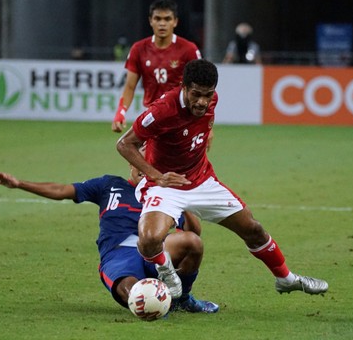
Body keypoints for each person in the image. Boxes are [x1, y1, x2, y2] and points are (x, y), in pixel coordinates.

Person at [116, 59, 328, 299]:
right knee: (149, 239)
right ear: (183, 87)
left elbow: (202, 122)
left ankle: (286, 279)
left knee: (254, 229)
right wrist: (156, 175)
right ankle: (166, 271)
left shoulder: (210, 102)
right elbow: (124, 144)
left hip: (202, 180)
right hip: (166, 184)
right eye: (196, 95)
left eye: (208, 95)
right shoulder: (163, 110)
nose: (202, 102)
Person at [0, 161, 219, 318]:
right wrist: (19, 184)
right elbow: (61, 190)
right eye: (139, 161)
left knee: (193, 243)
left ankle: (183, 299)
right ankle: (154, 303)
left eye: (150, 163)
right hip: (118, 255)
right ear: (131, 162)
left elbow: (194, 232)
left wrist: (182, 198)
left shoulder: (165, 196)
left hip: (156, 254)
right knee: (134, 295)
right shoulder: (109, 185)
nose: (143, 168)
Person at [111, 0, 202, 133]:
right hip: (152, 116)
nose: (162, 24)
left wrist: (204, 124)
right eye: (158, 19)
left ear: (175, 21)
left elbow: (201, 87)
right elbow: (130, 86)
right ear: (150, 21)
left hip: (181, 117)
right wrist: (120, 112)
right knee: (125, 145)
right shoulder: (139, 49)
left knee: (129, 146)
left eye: (167, 19)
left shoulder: (188, 49)